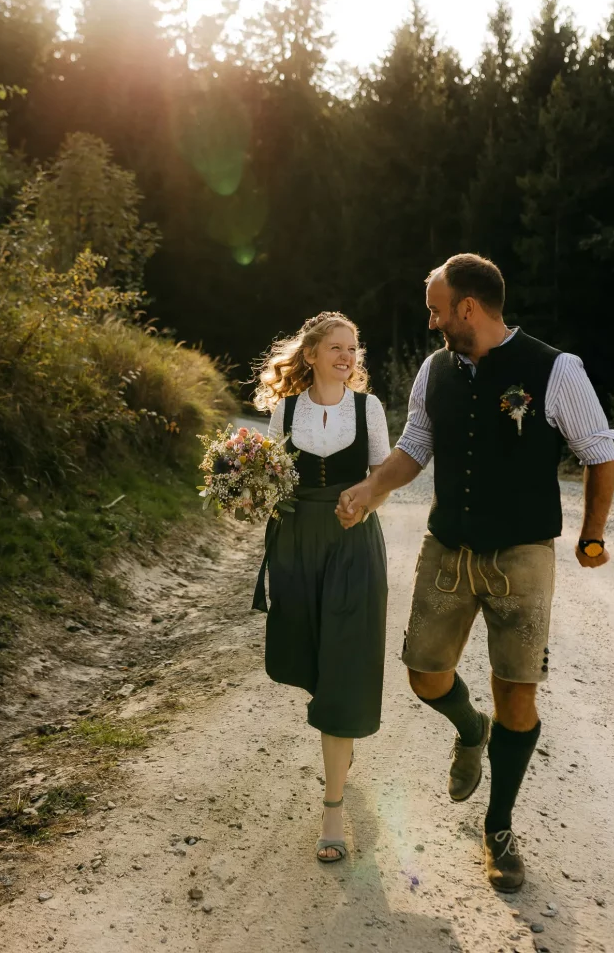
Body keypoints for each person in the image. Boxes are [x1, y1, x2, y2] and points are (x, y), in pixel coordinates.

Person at [336, 254, 614, 892]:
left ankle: (500, 828)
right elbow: (413, 448)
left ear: (467, 307)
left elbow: (600, 453)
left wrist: (592, 534)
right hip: (449, 551)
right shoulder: (434, 371)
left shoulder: (556, 369)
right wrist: (369, 489)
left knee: (518, 692)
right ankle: (470, 728)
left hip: (523, 558)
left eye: (437, 308)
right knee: (425, 676)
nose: (431, 320)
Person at [252, 311, 390, 863]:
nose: (346, 356)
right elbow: (271, 483)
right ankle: (341, 749)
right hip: (297, 549)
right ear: (311, 354)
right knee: (314, 662)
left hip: (354, 546)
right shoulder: (284, 410)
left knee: (345, 666)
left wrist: (364, 502)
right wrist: (244, 492)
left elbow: (384, 478)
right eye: (336, 347)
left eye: (353, 348)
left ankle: (333, 808)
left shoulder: (370, 407)